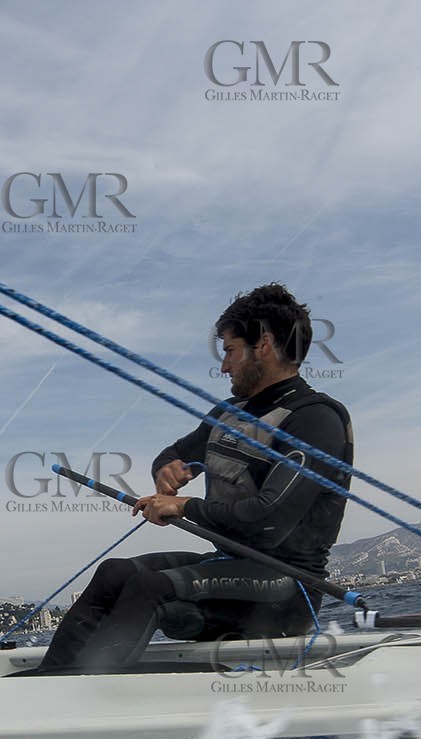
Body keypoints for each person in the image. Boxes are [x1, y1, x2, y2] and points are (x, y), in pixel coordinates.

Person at [37, 282, 354, 673]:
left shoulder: (315, 419)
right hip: (229, 568)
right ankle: (51, 682)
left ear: (265, 346)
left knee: (147, 588)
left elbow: (268, 518)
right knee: (115, 572)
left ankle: (89, 696)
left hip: (286, 590)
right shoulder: (229, 413)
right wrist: (166, 471)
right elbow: (174, 454)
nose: (223, 366)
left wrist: (184, 505)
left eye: (230, 351)